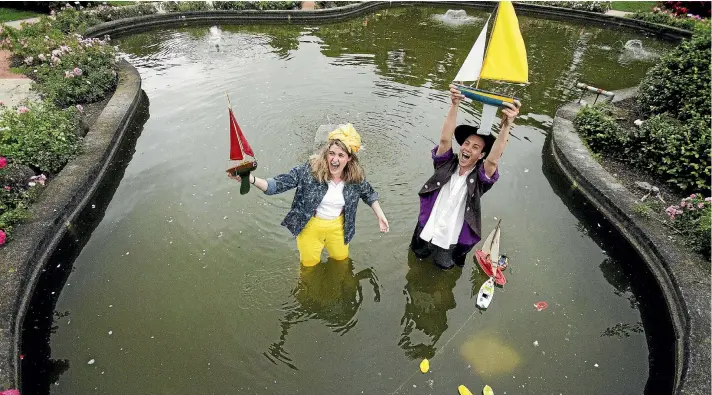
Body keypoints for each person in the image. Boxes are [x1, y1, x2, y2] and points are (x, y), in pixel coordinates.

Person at [229, 124, 389, 266]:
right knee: (309, 266)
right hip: (310, 226)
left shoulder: (355, 177)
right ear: (326, 153)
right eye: (331, 153)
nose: (334, 159)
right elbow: (277, 185)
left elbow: (369, 194)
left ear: (349, 159)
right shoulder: (309, 170)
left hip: (339, 228)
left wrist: (380, 215)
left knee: (341, 261)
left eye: (341, 155)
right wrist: (251, 178)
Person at [410, 85, 520, 269]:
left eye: (475, 147)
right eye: (466, 143)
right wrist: (454, 104)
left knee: (443, 270)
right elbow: (445, 140)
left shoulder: (480, 180)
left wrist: (507, 125)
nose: (467, 148)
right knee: (415, 259)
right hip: (426, 227)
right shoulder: (445, 164)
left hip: (450, 238)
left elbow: (493, 161)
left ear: (481, 155)